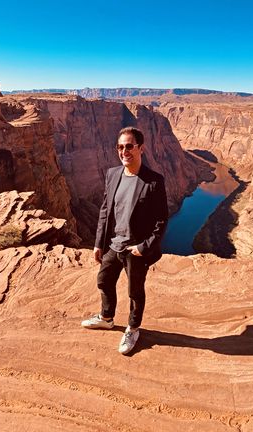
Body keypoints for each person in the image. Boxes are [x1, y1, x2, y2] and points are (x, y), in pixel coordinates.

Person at [81, 126, 168, 355]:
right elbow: (105, 209)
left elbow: (161, 220)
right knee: (104, 280)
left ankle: (132, 328)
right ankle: (107, 317)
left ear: (141, 148)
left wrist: (144, 247)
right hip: (113, 244)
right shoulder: (112, 174)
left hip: (135, 250)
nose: (124, 151)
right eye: (120, 147)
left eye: (129, 146)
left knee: (135, 292)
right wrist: (99, 243)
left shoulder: (154, 181)